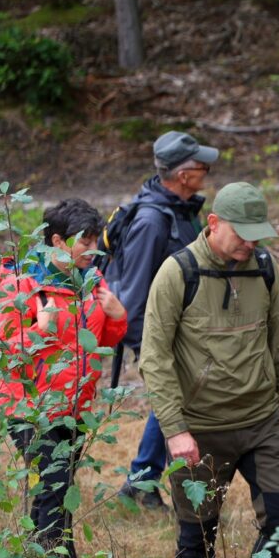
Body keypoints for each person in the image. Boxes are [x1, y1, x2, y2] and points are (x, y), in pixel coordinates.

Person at [139, 182, 279, 558]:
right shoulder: (178, 272)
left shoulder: (267, 271)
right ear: (213, 224)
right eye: (241, 234)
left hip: (263, 422)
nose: (249, 244)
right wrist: (175, 429)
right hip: (200, 428)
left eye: (257, 234)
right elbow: (154, 357)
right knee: (198, 534)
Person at [0, 200, 127, 558]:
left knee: (51, 490)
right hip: (30, 409)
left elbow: (100, 343)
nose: (92, 248)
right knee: (55, 494)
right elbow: (3, 353)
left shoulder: (91, 281)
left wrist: (118, 319)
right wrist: (39, 329)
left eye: (93, 239)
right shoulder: (23, 285)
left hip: (74, 410)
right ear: (55, 241)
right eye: (84, 241)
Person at [107, 130, 215, 509]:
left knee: (172, 403)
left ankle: (142, 480)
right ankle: (152, 483)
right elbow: (134, 294)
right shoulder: (153, 221)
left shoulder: (183, 211)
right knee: (174, 403)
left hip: (186, 331)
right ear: (184, 174)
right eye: (203, 165)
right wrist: (149, 348)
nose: (208, 171)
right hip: (159, 335)